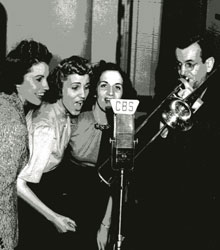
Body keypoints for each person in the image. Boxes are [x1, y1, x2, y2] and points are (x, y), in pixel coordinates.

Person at [135, 31, 220, 250]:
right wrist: (163, 132)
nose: (183, 73)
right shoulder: (169, 92)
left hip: (200, 211)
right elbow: (151, 152)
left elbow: (206, 156)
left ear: (209, 64)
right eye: (179, 64)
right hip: (166, 203)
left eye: (190, 64)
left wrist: (192, 108)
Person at [16, 55, 92, 250]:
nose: (83, 94)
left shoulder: (63, 112)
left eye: (86, 86)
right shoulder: (46, 129)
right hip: (29, 203)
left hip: (46, 189)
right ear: (60, 87)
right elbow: (18, 183)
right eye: (75, 87)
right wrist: (53, 218)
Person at [60, 60, 137, 249]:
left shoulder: (125, 128)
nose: (110, 93)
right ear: (95, 90)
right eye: (104, 86)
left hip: (106, 206)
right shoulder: (75, 120)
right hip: (69, 202)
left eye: (117, 87)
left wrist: (105, 225)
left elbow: (119, 184)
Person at [0, 39, 52, 250]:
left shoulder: (5, 104)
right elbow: (2, 190)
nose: (46, 86)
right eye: (38, 79)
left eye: (46, 78)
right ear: (17, 79)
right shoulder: (13, 124)